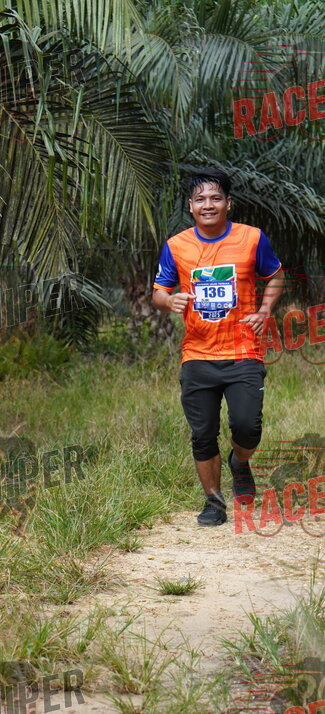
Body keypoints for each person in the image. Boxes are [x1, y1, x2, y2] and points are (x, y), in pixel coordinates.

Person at [152, 169, 284, 526]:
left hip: (243, 351)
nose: (207, 205)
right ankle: (213, 502)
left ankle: (239, 461)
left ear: (228, 203)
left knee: (247, 426)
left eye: (215, 198)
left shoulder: (252, 238)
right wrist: (169, 301)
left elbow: (275, 276)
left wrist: (265, 311)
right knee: (202, 433)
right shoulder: (176, 245)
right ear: (190, 206)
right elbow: (158, 292)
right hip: (197, 354)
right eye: (200, 199)